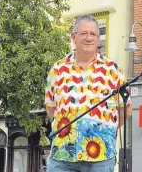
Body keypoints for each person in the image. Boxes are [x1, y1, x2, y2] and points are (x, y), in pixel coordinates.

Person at [45, 15, 132, 172]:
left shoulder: (114, 71)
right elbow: (51, 108)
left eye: (93, 34)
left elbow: (126, 109)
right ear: (74, 37)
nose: (88, 38)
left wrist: (104, 132)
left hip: (101, 157)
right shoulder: (57, 70)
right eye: (83, 33)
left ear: (98, 40)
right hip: (63, 155)